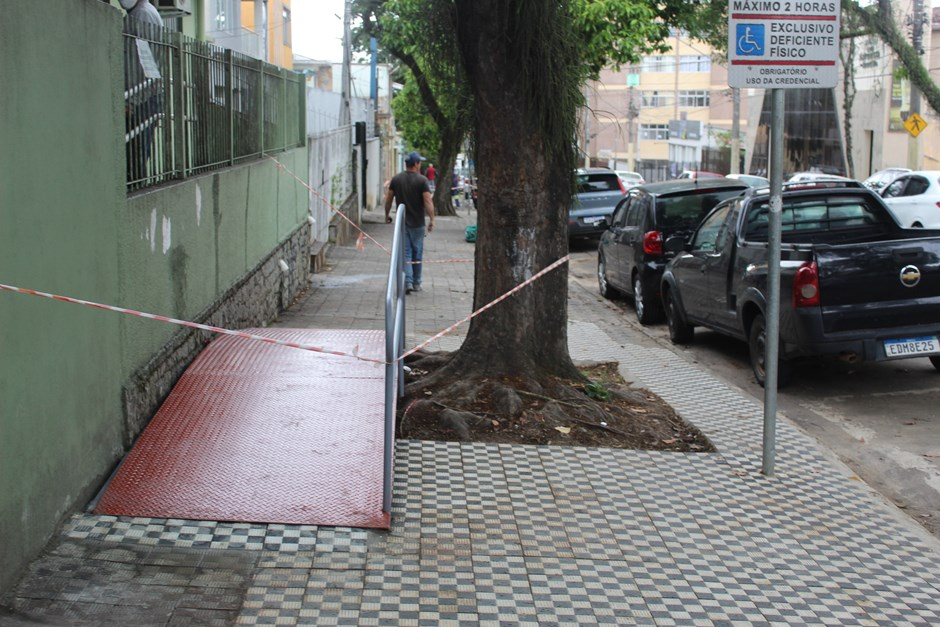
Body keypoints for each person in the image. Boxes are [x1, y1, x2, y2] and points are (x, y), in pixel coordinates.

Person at [385, 152, 435, 294]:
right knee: (417, 253)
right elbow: (427, 201)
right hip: (418, 223)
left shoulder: (396, 179)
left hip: (402, 223)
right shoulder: (422, 181)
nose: (420, 165)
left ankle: (408, 281)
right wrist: (432, 219)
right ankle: (416, 282)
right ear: (416, 164)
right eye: (419, 162)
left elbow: (389, 199)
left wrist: (387, 214)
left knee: (406, 253)